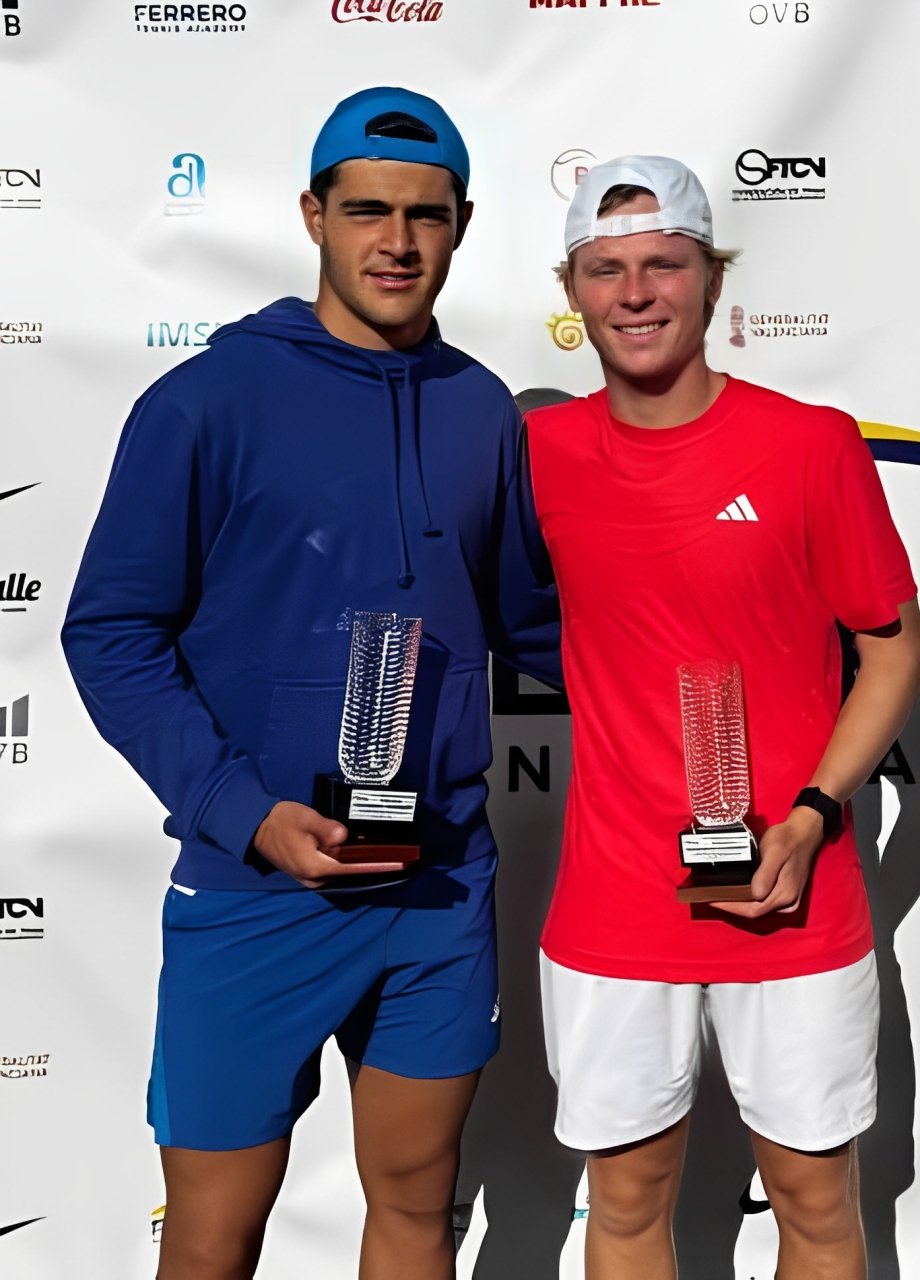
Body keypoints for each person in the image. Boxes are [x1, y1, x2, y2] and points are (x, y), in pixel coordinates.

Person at [61, 86, 558, 1280]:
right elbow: (111, 633)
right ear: (313, 215)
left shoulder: (481, 409)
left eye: (425, 217)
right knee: (216, 1232)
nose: (396, 242)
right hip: (256, 888)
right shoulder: (207, 400)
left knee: (416, 1208)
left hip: (436, 882)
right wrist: (244, 812)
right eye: (368, 211)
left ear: (462, 224)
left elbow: (540, 628)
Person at [526, 156, 920, 1280]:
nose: (636, 291)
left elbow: (892, 649)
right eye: (606, 269)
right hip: (613, 891)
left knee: (812, 1196)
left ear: (710, 282)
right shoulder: (538, 454)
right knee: (625, 1197)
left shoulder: (809, 444)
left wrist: (810, 811)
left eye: (664, 264)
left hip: (791, 886)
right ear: (573, 293)